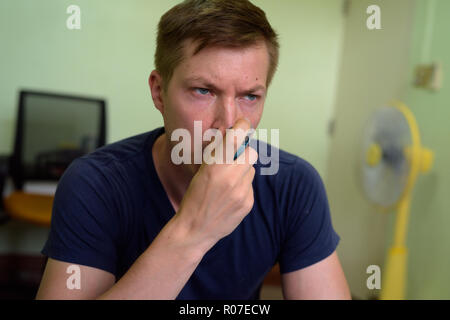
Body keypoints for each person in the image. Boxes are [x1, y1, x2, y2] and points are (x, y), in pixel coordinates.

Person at [36, 0, 351, 300]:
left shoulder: (293, 185)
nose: (227, 123)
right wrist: (194, 230)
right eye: (204, 90)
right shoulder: (95, 183)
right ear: (159, 92)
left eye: (250, 97)